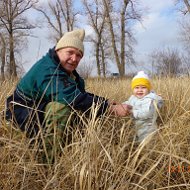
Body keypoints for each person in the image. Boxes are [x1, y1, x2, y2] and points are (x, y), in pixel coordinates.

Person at [5, 28, 131, 163]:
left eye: (79, 55)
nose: (74, 59)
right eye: (70, 52)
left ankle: (71, 148)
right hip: (19, 113)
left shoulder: (65, 70)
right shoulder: (48, 70)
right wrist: (111, 109)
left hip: (38, 109)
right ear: (58, 50)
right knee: (60, 109)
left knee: (84, 111)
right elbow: (73, 99)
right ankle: (46, 162)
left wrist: (106, 101)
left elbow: (80, 94)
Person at [123, 71, 163, 143]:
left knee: (147, 146)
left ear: (148, 89)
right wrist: (121, 106)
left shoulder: (150, 100)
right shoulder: (133, 98)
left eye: (143, 87)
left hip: (147, 129)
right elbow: (128, 103)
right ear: (133, 89)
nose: (140, 90)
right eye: (137, 87)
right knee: (136, 144)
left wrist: (132, 112)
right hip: (137, 127)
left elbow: (147, 113)